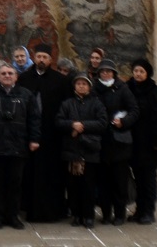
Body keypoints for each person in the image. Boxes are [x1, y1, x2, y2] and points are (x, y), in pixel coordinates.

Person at [0, 61, 41, 230]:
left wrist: (34, 139)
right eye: (3, 73)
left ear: (16, 77)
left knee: (15, 184)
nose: (7, 76)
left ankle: (13, 216)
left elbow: (34, 119)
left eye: (10, 73)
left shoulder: (26, 95)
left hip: (18, 146)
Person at [18, 43, 71, 222]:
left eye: (45, 57)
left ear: (51, 59)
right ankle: (30, 209)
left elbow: (67, 107)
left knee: (53, 174)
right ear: (34, 57)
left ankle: (55, 210)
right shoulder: (24, 78)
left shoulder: (61, 80)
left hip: (53, 136)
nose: (41, 60)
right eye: (39, 56)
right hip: (30, 135)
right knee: (31, 173)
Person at [57, 72, 107, 228]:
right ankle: (76, 214)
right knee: (73, 186)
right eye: (78, 84)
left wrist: (83, 126)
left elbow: (102, 123)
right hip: (71, 150)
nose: (81, 86)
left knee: (89, 185)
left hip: (89, 150)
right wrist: (72, 125)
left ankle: (88, 215)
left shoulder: (96, 103)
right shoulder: (67, 104)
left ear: (89, 87)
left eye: (84, 84)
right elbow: (59, 121)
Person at [93, 58, 138, 226]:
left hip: (119, 141)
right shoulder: (94, 89)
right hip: (100, 141)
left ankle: (119, 214)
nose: (105, 74)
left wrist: (123, 122)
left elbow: (134, 110)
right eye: (102, 71)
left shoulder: (122, 89)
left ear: (113, 73)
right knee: (103, 181)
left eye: (108, 71)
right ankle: (106, 214)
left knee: (120, 181)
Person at [127, 59, 157, 225]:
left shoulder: (154, 91)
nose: (138, 74)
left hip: (149, 142)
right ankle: (139, 209)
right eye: (136, 71)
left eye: (141, 71)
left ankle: (148, 210)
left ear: (147, 73)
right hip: (133, 140)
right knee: (137, 178)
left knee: (148, 178)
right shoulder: (128, 88)